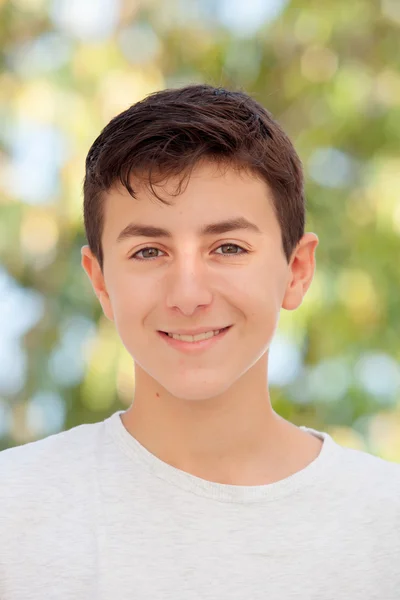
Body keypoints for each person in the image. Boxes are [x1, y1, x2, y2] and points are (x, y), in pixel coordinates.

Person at [0, 84, 399, 600]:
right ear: (100, 282)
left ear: (296, 271)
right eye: (148, 252)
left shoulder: (386, 522)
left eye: (228, 247)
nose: (188, 295)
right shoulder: (13, 511)